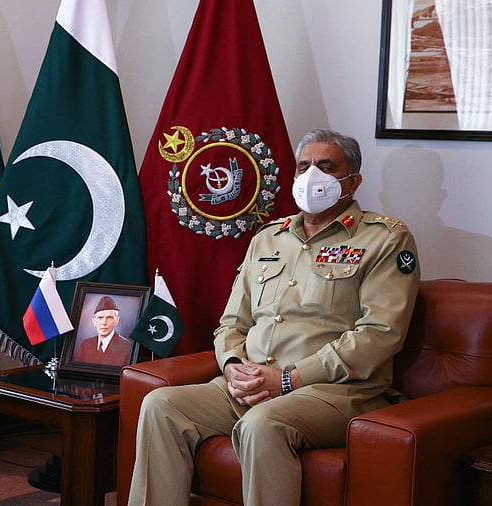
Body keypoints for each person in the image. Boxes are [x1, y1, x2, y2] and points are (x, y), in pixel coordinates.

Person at [128, 129, 421, 506]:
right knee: (161, 406)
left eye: (326, 166)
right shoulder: (268, 237)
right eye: (304, 166)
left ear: (353, 181)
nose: (312, 175)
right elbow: (232, 322)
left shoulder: (384, 238)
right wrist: (233, 364)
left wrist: (289, 379)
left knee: (262, 424)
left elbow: (380, 334)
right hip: (255, 382)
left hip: (334, 391)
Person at [73, 295, 133, 366]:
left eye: (109, 317)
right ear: (94, 321)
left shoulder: (127, 347)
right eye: (100, 318)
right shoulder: (85, 345)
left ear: (117, 320)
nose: (104, 323)